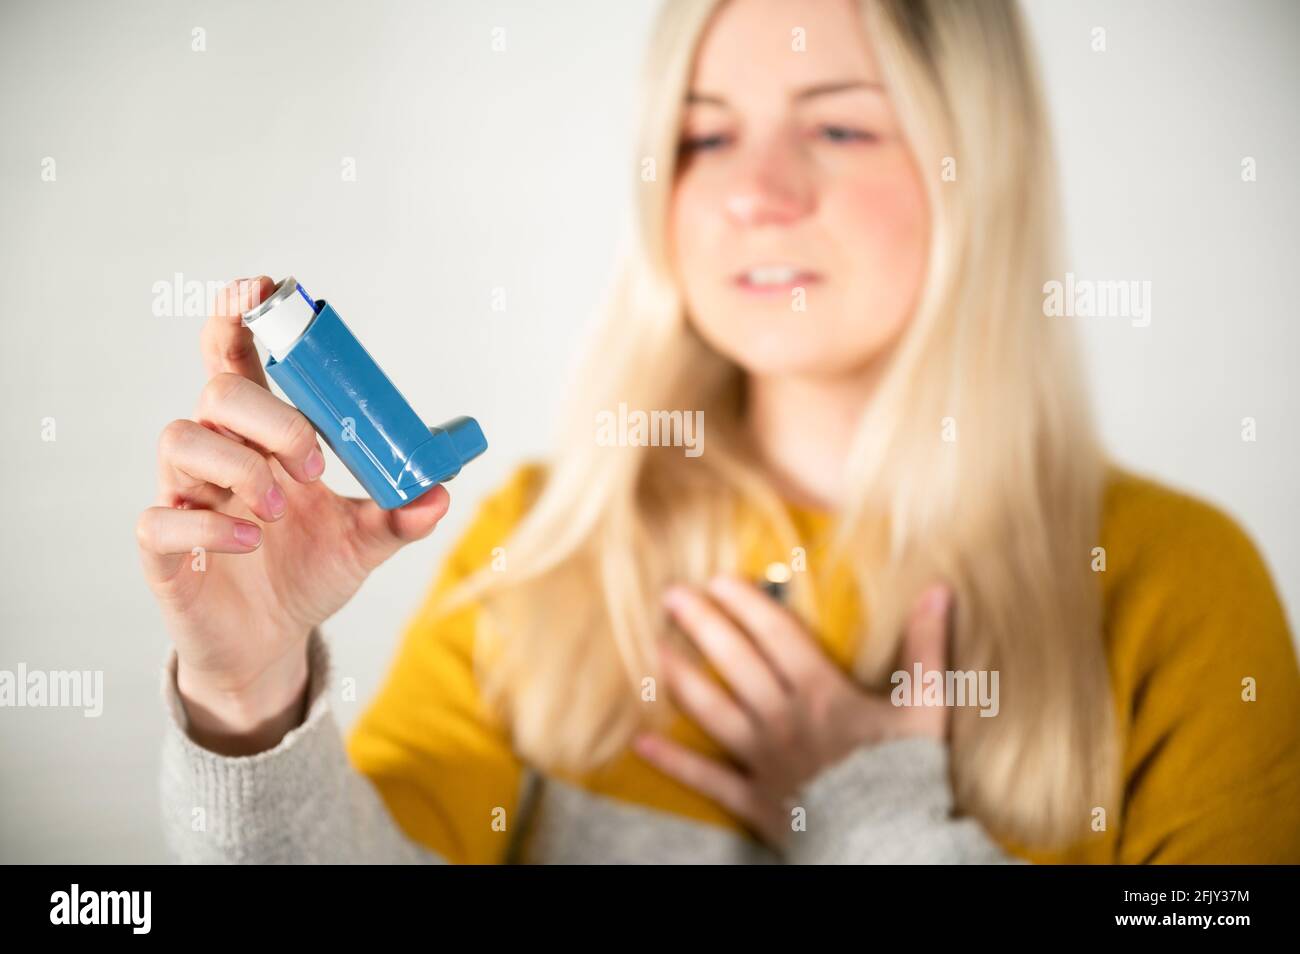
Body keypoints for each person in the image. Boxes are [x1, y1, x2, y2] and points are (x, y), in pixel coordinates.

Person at [137, 0, 1300, 864]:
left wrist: (875, 811)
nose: (754, 192)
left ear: (977, 164)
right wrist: (250, 696)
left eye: (838, 130)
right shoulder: (546, 544)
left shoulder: (1179, 586)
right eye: (702, 138)